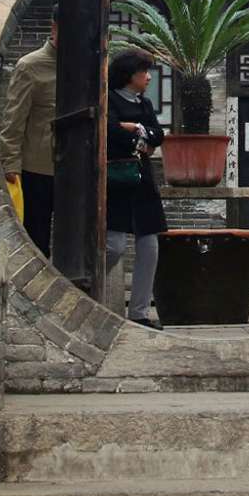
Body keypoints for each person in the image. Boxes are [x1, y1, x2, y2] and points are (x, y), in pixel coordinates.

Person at [105, 49, 167, 329]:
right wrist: (140, 136)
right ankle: (87, 292)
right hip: (116, 179)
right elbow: (111, 132)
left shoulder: (145, 103)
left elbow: (158, 135)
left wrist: (136, 130)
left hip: (142, 180)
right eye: (144, 72)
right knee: (114, 246)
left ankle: (140, 312)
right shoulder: (109, 100)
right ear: (131, 75)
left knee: (150, 245)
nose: (148, 77)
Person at [0, 19, 57, 253]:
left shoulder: (87, 65)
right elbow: (14, 119)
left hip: (77, 168)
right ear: (54, 28)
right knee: (37, 239)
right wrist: (10, 163)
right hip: (38, 168)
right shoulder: (30, 66)